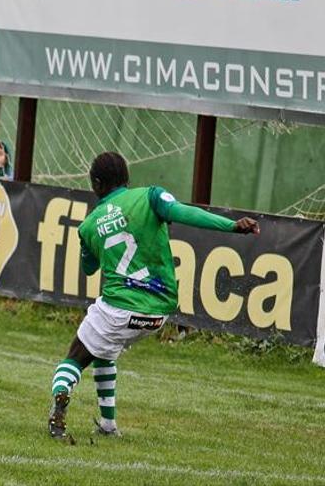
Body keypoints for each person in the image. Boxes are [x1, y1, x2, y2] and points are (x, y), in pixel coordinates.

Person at [48, 151, 259, 439]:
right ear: (127, 178)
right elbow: (184, 212)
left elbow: (88, 268)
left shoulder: (88, 226)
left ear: (96, 185)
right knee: (105, 352)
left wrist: (89, 242)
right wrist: (231, 225)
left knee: (74, 358)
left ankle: (60, 399)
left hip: (118, 309)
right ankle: (108, 426)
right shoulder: (150, 197)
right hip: (157, 314)